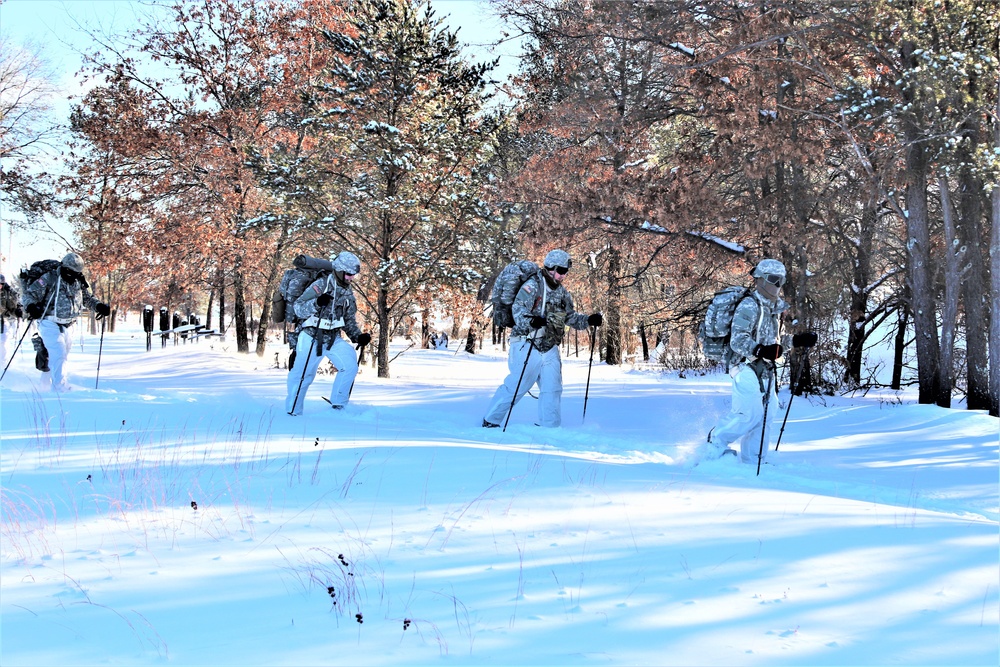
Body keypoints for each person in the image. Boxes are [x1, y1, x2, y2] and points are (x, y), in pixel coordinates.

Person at [707, 258, 816, 464]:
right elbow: (738, 340)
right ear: (762, 279)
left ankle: (754, 459)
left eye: (781, 280)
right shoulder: (749, 305)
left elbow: (773, 343)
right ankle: (714, 446)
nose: (777, 285)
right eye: (774, 279)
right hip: (745, 366)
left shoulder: (773, 309)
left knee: (767, 414)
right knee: (748, 414)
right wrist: (760, 350)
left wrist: (797, 340)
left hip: (766, 369)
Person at [482, 249, 602, 429]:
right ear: (551, 268)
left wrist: (588, 320)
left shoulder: (562, 293)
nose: (563, 275)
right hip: (526, 342)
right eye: (561, 271)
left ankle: (550, 427)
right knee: (518, 385)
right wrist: (532, 321)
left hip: (549, 345)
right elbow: (518, 309)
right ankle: (491, 420)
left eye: (565, 272)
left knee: (553, 388)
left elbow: (569, 317)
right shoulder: (532, 286)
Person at [286, 251, 371, 415]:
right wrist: (317, 303)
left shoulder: (347, 293)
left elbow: (348, 320)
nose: (351, 278)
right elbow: (299, 308)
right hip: (311, 336)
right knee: (303, 374)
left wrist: (357, 336)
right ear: (339, 271)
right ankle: (293, 412)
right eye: (348, 274)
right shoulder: (320, 285)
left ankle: (339, 407)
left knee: (349, 366)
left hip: (333, 338)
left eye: (353, 276)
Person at [21, 253, 111, 392]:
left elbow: (87, 299)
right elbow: (29, 295)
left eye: (75, 272)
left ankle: (43, 385)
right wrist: (32, 307)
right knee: (58, 353)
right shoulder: (49, 278)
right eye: (69, 271)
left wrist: (99, 306)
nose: (71, 275)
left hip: (69, 324)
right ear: (63, 267)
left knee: (59, 357)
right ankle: (60, 388)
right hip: (49, 321)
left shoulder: (78, 281)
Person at [1, 273, 24, 362]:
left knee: (3, 341)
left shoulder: (9, 293)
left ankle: (3, 362)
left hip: (3, 321)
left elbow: (12, 309)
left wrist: (17, 312)